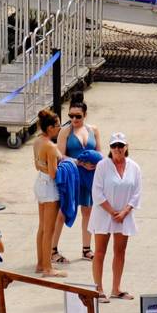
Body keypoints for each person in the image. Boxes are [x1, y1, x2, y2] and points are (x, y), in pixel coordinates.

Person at [89, 133, 142, 301]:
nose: (117, 149)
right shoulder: (102, 166)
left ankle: (116, 288)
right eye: (114, 146)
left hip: (124, 216)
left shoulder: (134, 167)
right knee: (100, 251)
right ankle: (98, 289)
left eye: (120, 146)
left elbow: (137, 193)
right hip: (104, 214)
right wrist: (112, 212)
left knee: (120, 251)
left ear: (126, 147)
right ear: (110, 148)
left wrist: (125, 212)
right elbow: (96, 192)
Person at [56, 98, 100, 261]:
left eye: (78, 116)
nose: (74, 119)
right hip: (72, 175)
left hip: (89, 176)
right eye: (71, 116)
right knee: (64, 211)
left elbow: (99, 152)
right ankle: (53, 249)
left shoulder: (93, 130)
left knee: (87, 211)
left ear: (85, 115)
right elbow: (60, 156)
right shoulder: (65, 131)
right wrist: (80, 162)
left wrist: (95, 165)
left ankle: (86, 248)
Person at [31, 109, 65, 276]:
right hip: (49, 186)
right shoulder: (50, 146)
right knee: (49, 229)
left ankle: (40, 263)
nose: (59, 128)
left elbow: (37, 165)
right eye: (57, 125)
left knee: (42, 227)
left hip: (40, 183)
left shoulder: (38, 141)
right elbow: (53, 173)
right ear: (50, 128)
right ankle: (47, 267)